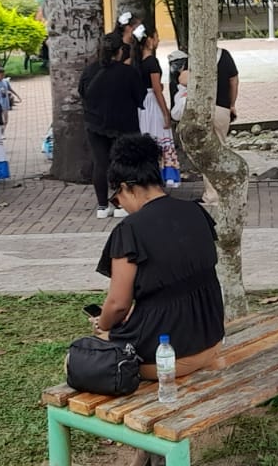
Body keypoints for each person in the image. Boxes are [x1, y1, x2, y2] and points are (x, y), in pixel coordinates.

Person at [90, 134, 225, 395]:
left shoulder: (130, 230)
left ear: (126, 187)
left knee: (81, 355)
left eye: (117, 198)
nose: (120, 205)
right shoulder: (196, 212)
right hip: (211, 341)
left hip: (166, 357)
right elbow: (177, 279)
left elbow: (117, 305)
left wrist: (103, 326)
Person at [81, 32, 148, 218]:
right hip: (124, 123)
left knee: (100, 163)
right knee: (124, 162)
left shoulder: (89, 71)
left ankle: (102, 206)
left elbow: (82, 93)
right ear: (120, 51)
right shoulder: (128, 72)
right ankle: (122, 205)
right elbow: (140, 96)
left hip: (95, 124)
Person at [135, 25, 181, 187]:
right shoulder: (152, 62)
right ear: (149, 40)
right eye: (156, 37)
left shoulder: (137, 62)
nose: (158, 40)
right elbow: (156, 89)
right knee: (160, 137)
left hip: (142, 105)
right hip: (152, 104)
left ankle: (147, 176)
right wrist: (166, 112)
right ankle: (164, 175)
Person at [214, 47, 239, 137]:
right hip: (221, 107)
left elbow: (182, 80)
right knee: (220, 140)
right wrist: (232, 105)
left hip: (197, 108)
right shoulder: (224, 54)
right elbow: (234, 81)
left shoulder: (193, 56)